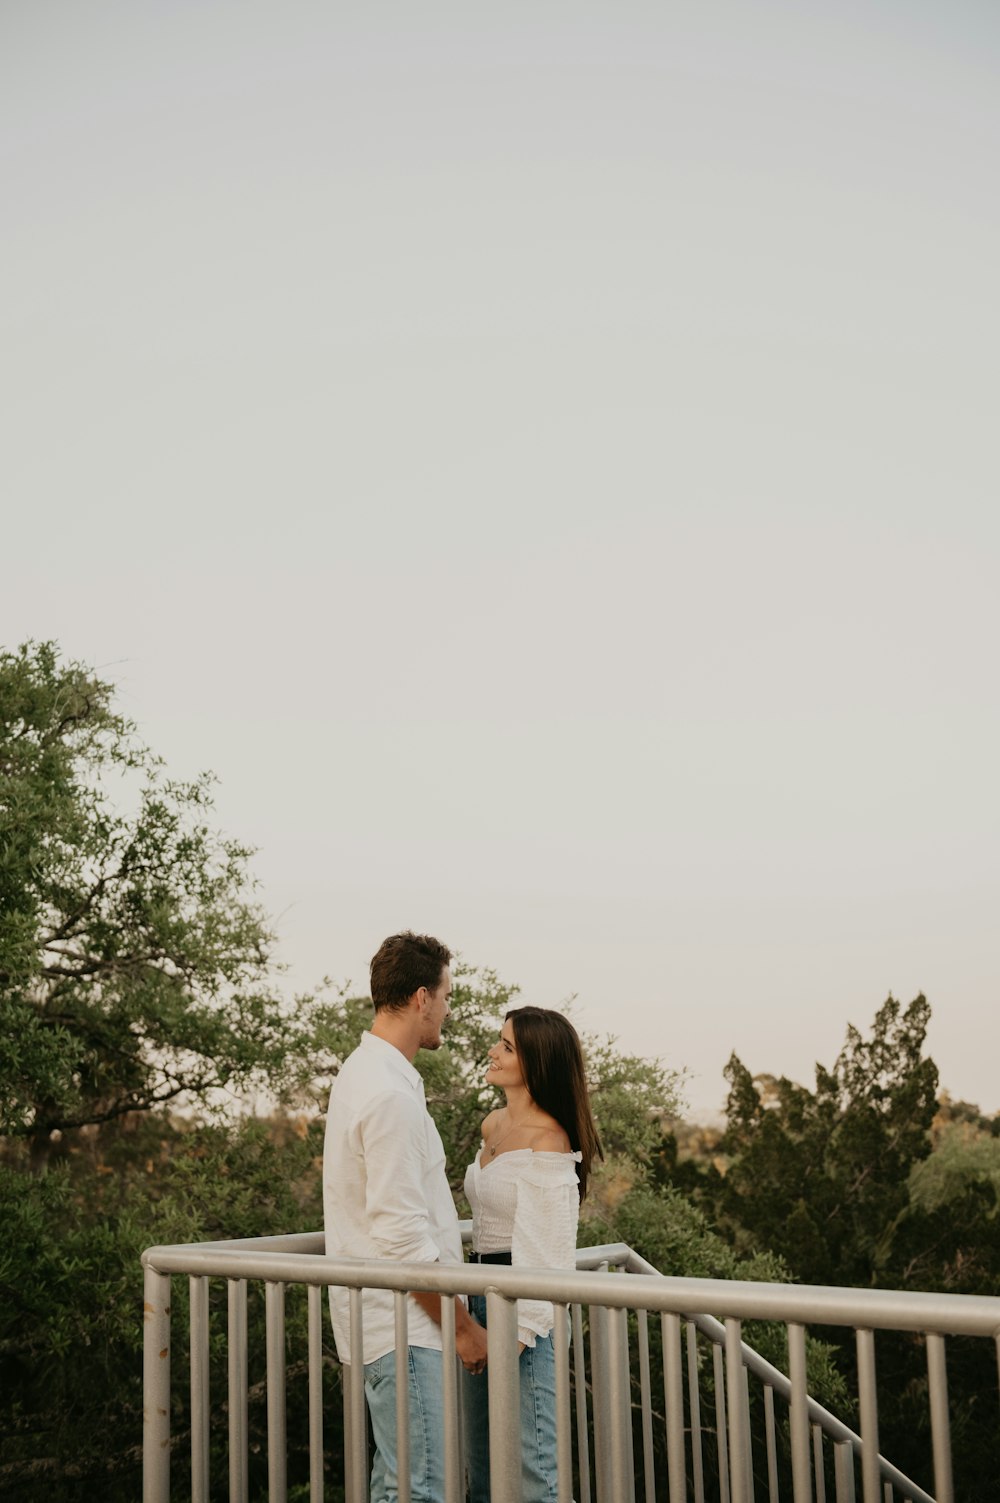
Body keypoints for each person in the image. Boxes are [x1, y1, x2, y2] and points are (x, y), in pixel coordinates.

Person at [322, 931, 488, 1503]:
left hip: (393, 1326)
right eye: (445, 996)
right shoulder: (387, 1093)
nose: (448, 1008)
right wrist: (463, 1328)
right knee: (423, 1490)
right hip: (407, 1328)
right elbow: (400, 1235)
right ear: (421, 998)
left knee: (399, 1486)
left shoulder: (366, 1074)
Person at [463, 1006, 603, 1503]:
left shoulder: (550, 1141)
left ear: (537, 1063)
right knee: (481, 1469)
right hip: (478, 1297)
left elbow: (548, 1256)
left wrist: (513, 1341)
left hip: (524, 1313)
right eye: (498, 1041)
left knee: (533, 1469)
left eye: (507, 1047)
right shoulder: (491, 1124)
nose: (493, 1052)